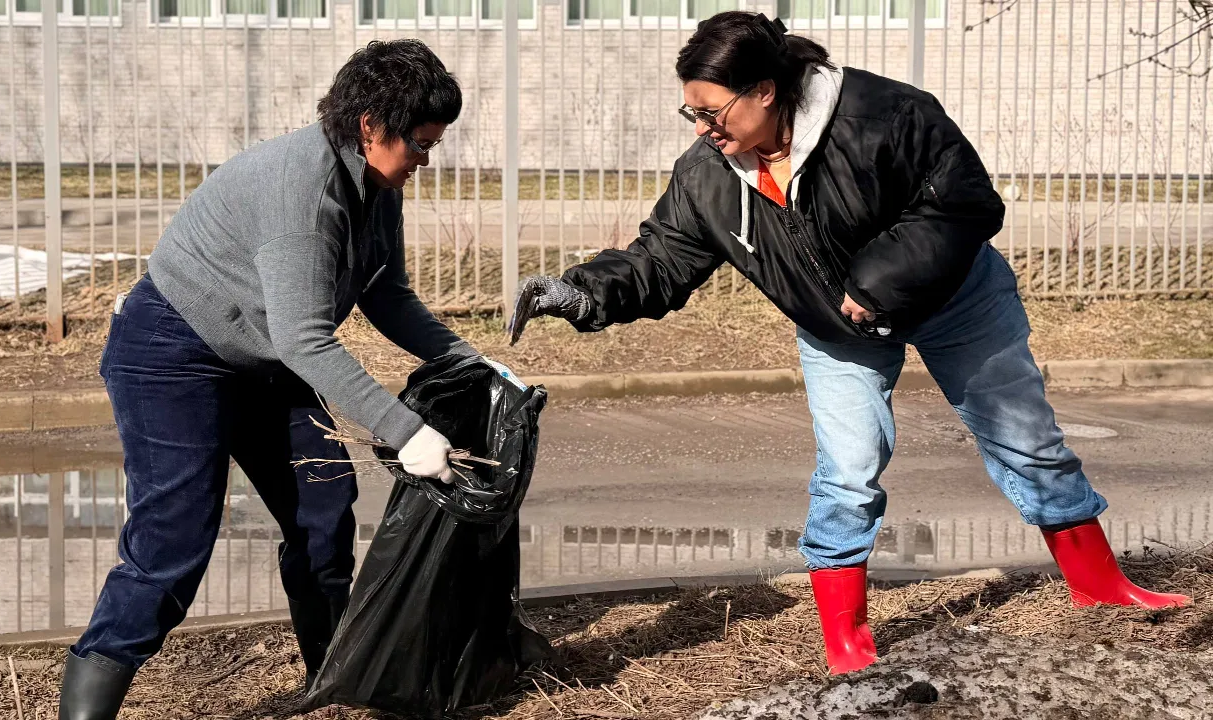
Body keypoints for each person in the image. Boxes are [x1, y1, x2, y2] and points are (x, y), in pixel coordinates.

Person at [509, 12, 1190, 676]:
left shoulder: (884, 116)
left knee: (1027, 440)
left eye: (713, 112)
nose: (704, 129)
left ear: (766, 91)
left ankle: (1100, 586)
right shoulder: (708, 176)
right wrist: (581, 293)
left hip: (959, 299)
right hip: (837, 329)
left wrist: (879, 279)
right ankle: (847, 636)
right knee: (849, 467)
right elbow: (661, 260)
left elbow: (964, 201)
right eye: (692, 114)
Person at [59, 40, 496, 719]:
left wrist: (468, 360)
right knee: (172, 542)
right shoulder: (302, 190)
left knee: (323, 516)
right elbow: (305, 339)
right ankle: (86, 710)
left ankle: (336, 681)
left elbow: (388, 296)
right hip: (172, 352)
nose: (425, 160)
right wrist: (406, 432)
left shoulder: (374, 185)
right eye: (419, 143)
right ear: (370, 125)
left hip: (260, 357)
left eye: (433, 145)